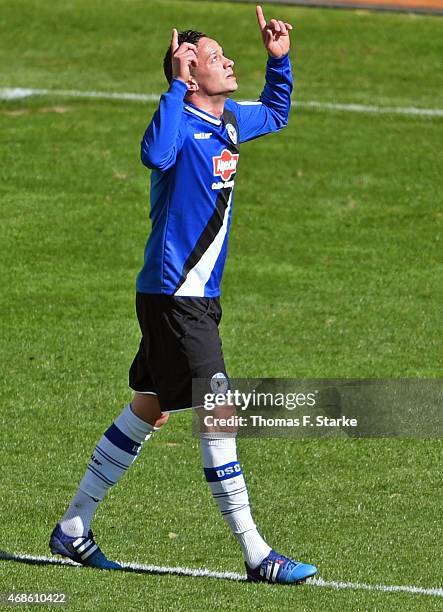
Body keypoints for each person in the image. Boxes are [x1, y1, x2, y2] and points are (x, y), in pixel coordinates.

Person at [49, 5, 317, 585]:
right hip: (177, 294)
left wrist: (280, 62)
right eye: (216, 57)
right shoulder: (179, 121)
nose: (229, 60)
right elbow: (157, 155)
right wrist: (175, 85)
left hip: (189, 294)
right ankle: (255, 553)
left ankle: (73, 528)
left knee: (152, 404)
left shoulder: (230, 120)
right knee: (218, 409)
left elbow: (276, 112)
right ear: (192, 75)